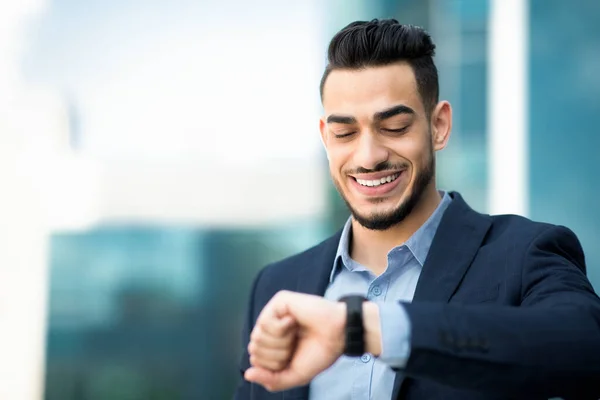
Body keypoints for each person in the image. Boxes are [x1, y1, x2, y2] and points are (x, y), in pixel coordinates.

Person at [233, 19, 600, 400]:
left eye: (393, 127)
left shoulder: (524, 254)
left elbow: (587, 346)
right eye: (345, 133)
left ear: (438, 125)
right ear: (326, 136)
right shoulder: (276, 285)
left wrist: (362, 327)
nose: (369, 157)